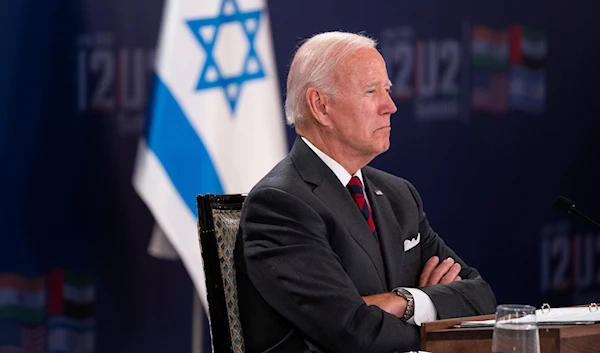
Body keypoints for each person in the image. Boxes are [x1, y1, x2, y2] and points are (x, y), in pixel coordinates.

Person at [234, 31, 496, 353]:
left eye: (386, 90)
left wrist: (406, 302)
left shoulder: (399, 195)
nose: (391, 106)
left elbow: (480, 297)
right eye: (371, 92)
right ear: (321, 106)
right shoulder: (280, 205)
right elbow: (353, 333)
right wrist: (437, 319)